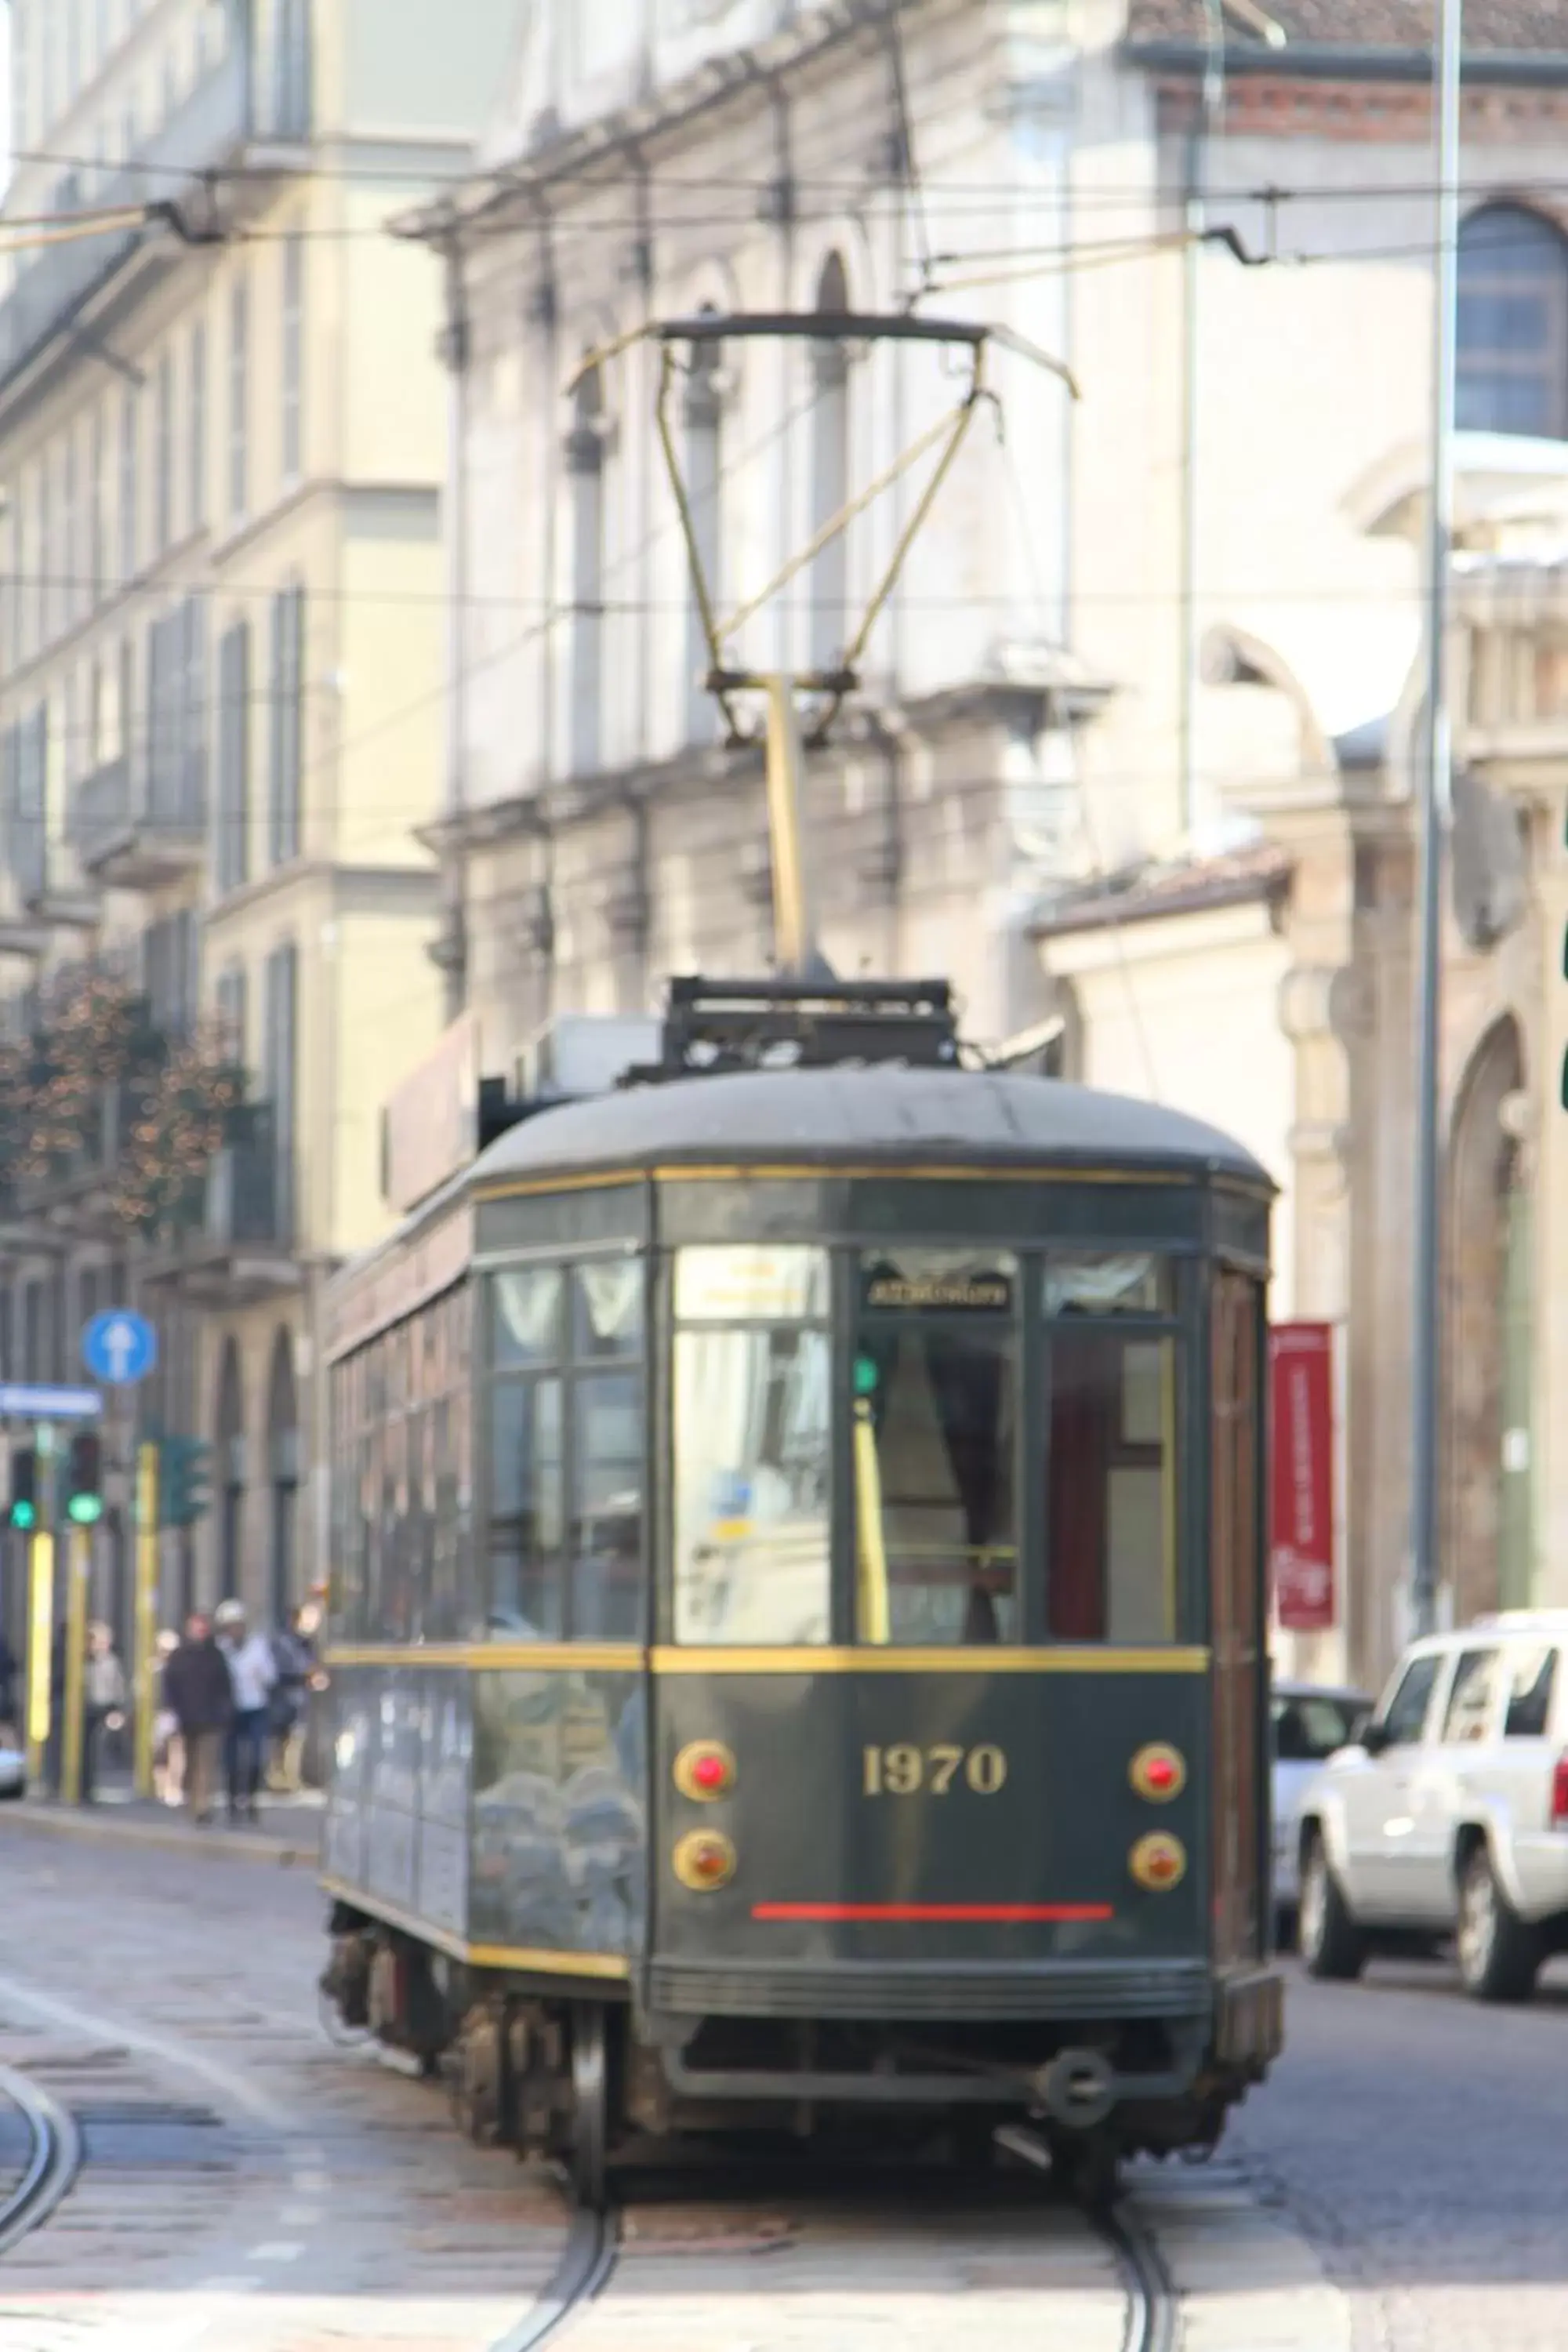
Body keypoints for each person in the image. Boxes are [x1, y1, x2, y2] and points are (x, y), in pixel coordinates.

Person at [162, 1612, 231, 1824]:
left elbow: (225, 1687)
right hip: (186, 1720)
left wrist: (224, 1712)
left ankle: (202, 1806)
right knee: (189, 1765)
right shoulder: (179, 1656)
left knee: (206, 1764)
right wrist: (171, 1711)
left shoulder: (215, 1655)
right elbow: (169, 1686)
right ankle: (192, 1802)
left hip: (210, 1720)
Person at [214, 1598, 276, 1823]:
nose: (235, 1630)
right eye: (230, 1626)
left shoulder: (258, 1646)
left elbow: (270, 1676)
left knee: (255, 1758)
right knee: (231, 1759)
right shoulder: (220, 1649)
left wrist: (260, 1673)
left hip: (255, 1706)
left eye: (238, 1625)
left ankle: (251, 1799)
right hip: (231, 1709)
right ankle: (232, 1802)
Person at [266, 1603, 318, 1793]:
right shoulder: (279, 1643)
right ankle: (275, 1777)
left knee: (296, 1738)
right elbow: (280, 1669)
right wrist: (305, 1673)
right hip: (282, 1695)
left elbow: (312, 1663)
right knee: (279, 1738)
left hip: (299, 1695)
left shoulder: (305, 1642)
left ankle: (292, 1777)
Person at [81, 1621, 127, 1803]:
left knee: (101, 1745)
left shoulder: (111, 1661)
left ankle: (92, 1783)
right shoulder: (85, 1661)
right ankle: (84, 1786)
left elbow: (117, 1687)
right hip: (88, 1708)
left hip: (105, 1708)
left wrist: (117, 1709)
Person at [152, 1628, 182, 1806]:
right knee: (159, 1753)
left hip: (174, 1713)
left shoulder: (179, 1669)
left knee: (176, 1752)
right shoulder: (153, 1669)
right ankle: (161, 1787)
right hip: (158, 1714)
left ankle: (174, 1787)